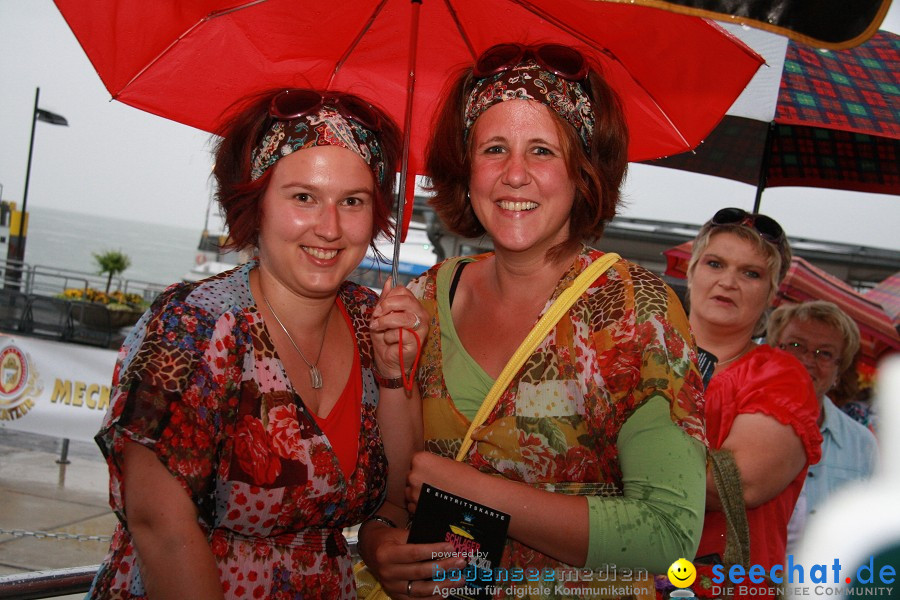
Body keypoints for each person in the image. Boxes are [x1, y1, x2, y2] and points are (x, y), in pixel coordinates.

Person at [358, 43, 707, 599]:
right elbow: (400, 497)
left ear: (583, 169)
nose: (514, 175)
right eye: (494, 148)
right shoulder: (422, 300)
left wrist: (475, 491)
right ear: (467, 169)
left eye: (542, 150)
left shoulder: (635, 311)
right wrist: (378, 544)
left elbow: (669, 535)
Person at [88, 88, 428, 599]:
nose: (330, 228)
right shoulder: (196, 325)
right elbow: (161, 527)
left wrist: (394, 375)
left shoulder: (369, 321)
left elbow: (398, 495)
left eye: (352, 201)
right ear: (257, 203)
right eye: (303, 197)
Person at [687, 208, 822, 593]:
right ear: (692, 271)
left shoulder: (779, 374)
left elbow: (737, 483)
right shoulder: (635, 351)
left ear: (771, 292)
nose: (728, 281)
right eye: (715, 263)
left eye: (751, 273)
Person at [766, 301, 878, 554]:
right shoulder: (735, 421)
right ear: (773, 351)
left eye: (825, 353)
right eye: (795, 345)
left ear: (839, 372)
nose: (807, 360)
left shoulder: (862, 444)